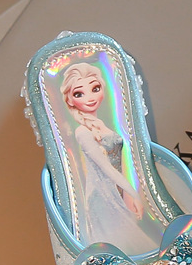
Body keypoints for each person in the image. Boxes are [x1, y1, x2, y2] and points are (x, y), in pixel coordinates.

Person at [61, 62, 153, 252]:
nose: (89, 98)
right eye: (79, 94)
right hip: (101, 197)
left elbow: (121, 160)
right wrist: (133, 193)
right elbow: (105, 167)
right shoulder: (82, 132)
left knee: (129, 243)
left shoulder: (100, 124)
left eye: (95, 89)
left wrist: (127, 193)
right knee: (119, 246)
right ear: (69, 100)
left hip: (116, 190)